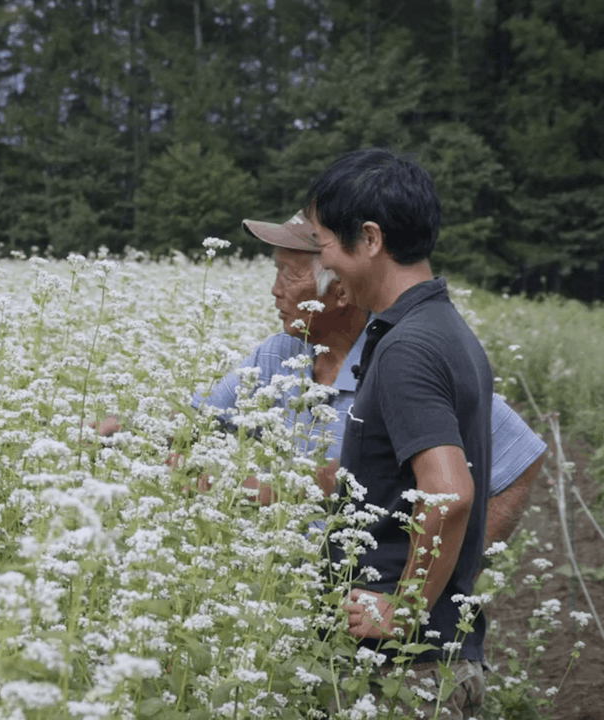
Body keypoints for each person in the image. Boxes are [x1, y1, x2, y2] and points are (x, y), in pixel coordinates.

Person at [189, 210, 544, 551]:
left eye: (288, 274)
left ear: (340, 288)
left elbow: (520, 460)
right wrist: (194, 471)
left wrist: (452, 580)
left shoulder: (401, 360)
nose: (274, 290)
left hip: (372, 599)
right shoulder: (279, 353)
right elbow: (194, 424)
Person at [305, 147, 494, 718]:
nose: (323, 265)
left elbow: (448, 492)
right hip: (428, 662)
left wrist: (403, 609)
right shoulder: (442, 328)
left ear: (369, 239)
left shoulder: (408, 348)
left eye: (324, 245)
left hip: (409, 673)